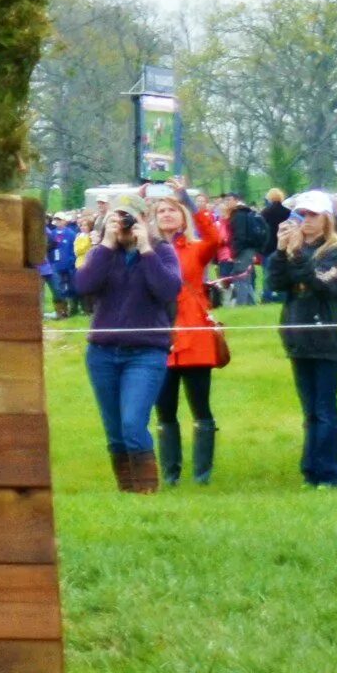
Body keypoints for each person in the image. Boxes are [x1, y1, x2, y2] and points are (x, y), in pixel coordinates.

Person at [72, 194, 180, 492]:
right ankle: (129, 494)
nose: (125, 225)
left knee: (133, 424)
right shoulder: (104, 253)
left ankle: (146, 492)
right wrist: (106, 243)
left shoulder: (162, 252)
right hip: (103, 353)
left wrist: (145, 248)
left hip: (145, 352)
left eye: (131, 218)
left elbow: (169, 289)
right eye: (118, 218)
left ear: (146, 220)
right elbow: (83, 286)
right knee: (115, 432)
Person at [266, 191, 337, 488]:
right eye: (302, 214)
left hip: (323, 337)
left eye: (313, 215)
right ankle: (311, 470)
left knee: (325, 408)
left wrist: (298, 256)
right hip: (297, 334)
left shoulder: (335, 251)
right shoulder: (293, 247)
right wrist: (280, 251)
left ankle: (332, 473)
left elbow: (324, 286)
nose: (307, 221)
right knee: (310, 410)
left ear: (327, 218)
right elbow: (276, 283)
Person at [150, 181, 227, 487]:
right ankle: (170, 474)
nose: (167, 215)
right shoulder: (149, 252)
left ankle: (202, 474)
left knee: (200, 405)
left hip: (194, 332)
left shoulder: (195, 249)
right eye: (161, 211)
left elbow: (214, 236)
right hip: (161, 333)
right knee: (164, 408)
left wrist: (189, 200)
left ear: (183, 217)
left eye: (172, 210)